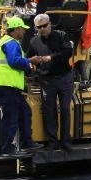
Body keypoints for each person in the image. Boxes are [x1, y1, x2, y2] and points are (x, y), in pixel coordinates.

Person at [0, 16, 45, 157]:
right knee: (11, 117)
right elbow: (15, 62)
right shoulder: (11, 43)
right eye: (22, 29)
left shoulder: (7, 41)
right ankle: (7, 149)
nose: (24, 32)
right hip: (8, 85)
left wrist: (27, 66)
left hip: (9, 85)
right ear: (16, 29)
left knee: (24, 112)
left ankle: (27, 143)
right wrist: (30, 60)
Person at [27, 14, 74, 151]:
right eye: (39, 27)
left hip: (64, 77)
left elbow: (67, 52)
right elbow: (29, 57)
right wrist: (31, 63)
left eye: (44, 25)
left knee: (65, 109)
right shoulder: (34, 41)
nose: (42, 29)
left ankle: (66, 141)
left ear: (50, 24)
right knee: (49, 111)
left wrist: (50, 58)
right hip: (47, 81)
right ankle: (52, 142)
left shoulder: (61, 35)